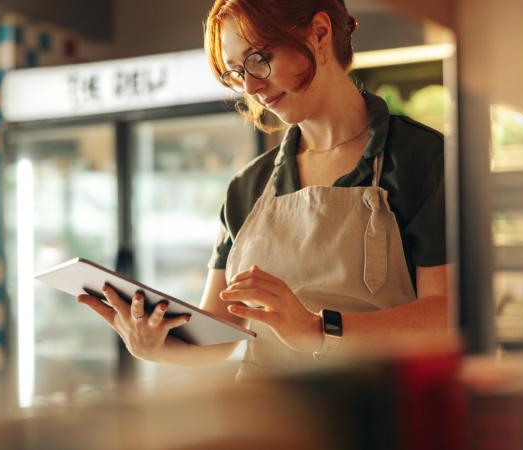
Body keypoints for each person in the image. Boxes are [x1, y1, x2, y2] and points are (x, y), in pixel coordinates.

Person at [77, 0, 451, 380]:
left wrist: (319, 331)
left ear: (320, 33)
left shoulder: (421, 159)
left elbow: (446, 315)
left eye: (259, 58)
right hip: (265, 422)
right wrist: (156, 345)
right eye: (237, 73)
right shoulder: (247, 187)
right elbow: (220, 336)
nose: (252, 87)